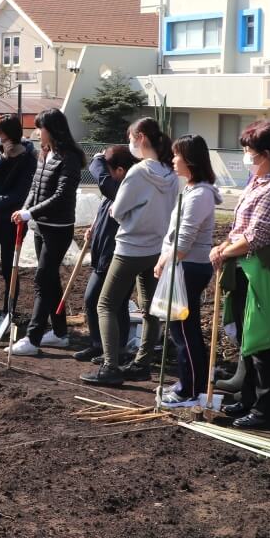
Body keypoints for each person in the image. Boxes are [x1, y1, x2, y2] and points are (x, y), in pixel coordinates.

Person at [209, 121, 270, 431]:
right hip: (245, 266)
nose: (246, 156)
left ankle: (267, 409)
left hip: (261, 269)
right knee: (247, 338)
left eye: (249, 151)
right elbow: (239, 229)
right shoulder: (257, 183)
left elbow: (255, 236)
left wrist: (225, 251)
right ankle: (247, 399)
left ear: (266, 154)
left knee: (260, 342)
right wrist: (224, 245)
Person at [87, 118, 179, 381]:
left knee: (105, 305)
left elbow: (117, 209)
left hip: (129, 248)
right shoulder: (170, 173)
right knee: (150, 310)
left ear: (139, 137)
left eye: (130, 138)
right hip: (156, 248)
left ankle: (110, 366)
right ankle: (142, 364)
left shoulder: (138, 172)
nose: (130, 144)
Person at [151, 135, 221, 408]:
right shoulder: (192, 189)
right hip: (182, 265)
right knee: (183, 328)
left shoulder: (201, 194)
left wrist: (163, 261)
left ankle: (189, 390)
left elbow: (183, 241)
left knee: (182, 329)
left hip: (189, 267)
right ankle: (192, 382)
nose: (173, 159)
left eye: (177, 155)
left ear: (190, 160)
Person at [8, 108, 84, 355]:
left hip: (58, 228)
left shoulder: (69, 157)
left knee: (42, 279)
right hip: (41, 226)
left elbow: (62, 196)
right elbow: (35, 186)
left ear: (51, 130)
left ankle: (33, 337)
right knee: (50, 279)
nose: (36, 133)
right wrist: (25, 209)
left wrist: (31, 213)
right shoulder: (45, 153)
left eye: (40, 128)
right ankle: (60, 333)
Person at [74, 145, 140, 365]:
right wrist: (94, 226)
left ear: (120, 171)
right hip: (102, 251)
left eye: (109, 169)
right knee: (98, 301)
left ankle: (116, 349)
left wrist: (98, 162)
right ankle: (98, 344)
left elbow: (104, 183)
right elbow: (104, 204)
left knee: (106, 301)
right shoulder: (115, 188)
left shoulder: (125, 188)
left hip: (117, 253)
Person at [0, 116, 36, 326]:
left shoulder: (29, 159)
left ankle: (8, 312)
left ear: (10, 134)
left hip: (12, 220)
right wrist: (3, 157)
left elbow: (18, 195)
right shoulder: (1, 154)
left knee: (8, 268)